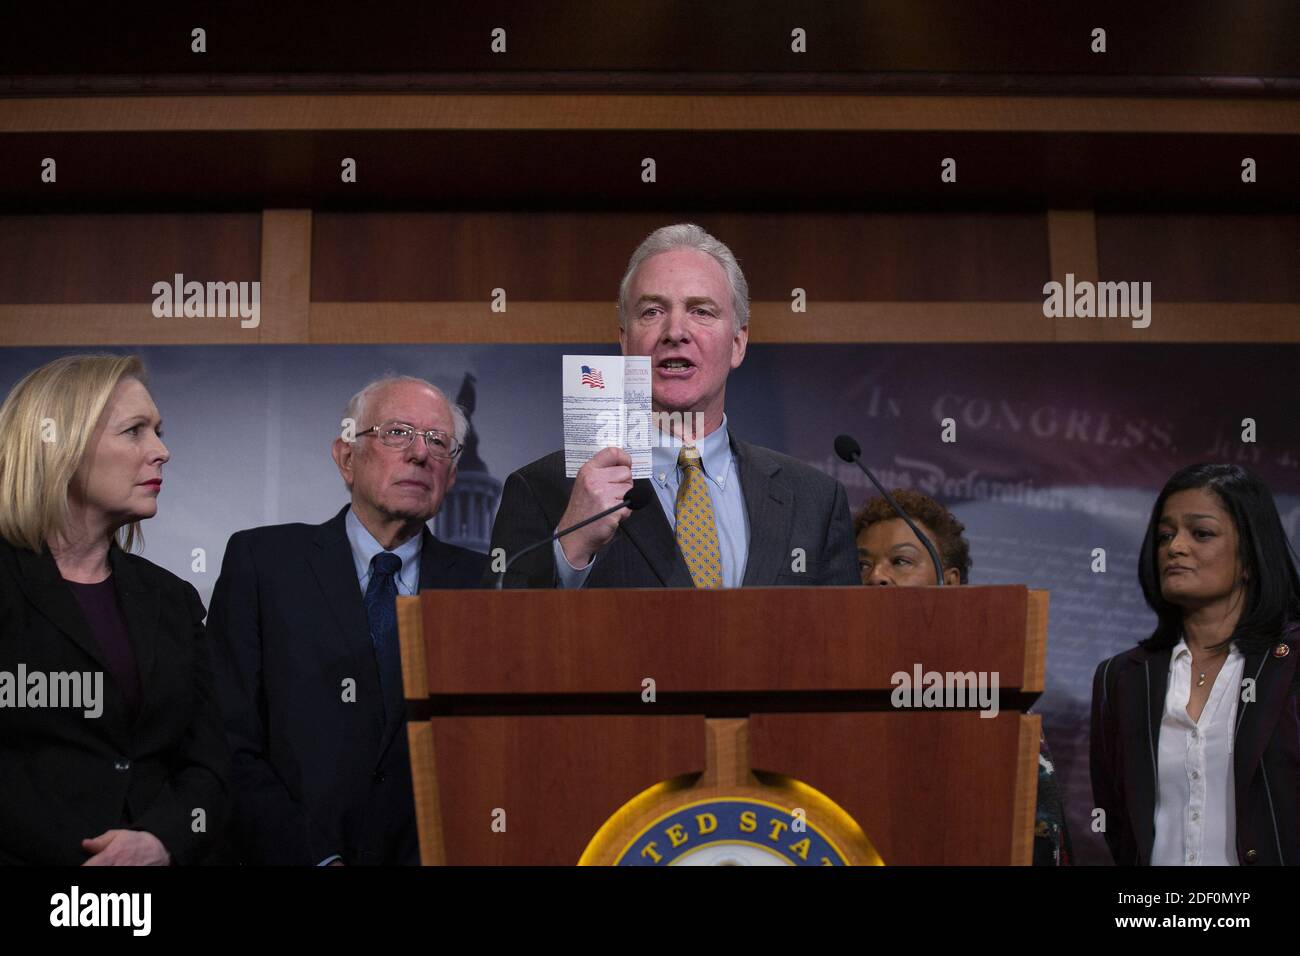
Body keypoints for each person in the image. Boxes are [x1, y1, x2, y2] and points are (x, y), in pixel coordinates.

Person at [208, 374, 487, 865]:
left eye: (438, 442)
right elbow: (226, 737)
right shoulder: (263, 562)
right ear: (346, 457)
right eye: (397, 433)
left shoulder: (485, 586)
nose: (420, 454)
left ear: (452, 475)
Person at [489, 223, 858, 588]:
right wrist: (571, 552)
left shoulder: (815, 501)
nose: (675, 331)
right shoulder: (542, 489)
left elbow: (844, 642)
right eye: (652, 311)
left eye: (701, 311)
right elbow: (504, 639)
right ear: (625, 342)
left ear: (738, 343)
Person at [0, 354, 229, 865]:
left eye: (159, 431)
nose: (162, 451)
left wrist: (162, 841)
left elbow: (207, 766)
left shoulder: (173, 600)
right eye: (134, 431)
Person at [1090, 462, 1300, 866]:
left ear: (1250, 558)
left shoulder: (1292, 664)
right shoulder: (1121, 677)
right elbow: (1117, 822)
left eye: (1200, 533)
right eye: (1165, 535)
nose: (1175, 547)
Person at [855, 489, 1073, 865]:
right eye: (861, 564)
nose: (877, 577)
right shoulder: (828, 701)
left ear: (949, 581)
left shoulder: (988, 698)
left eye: (900, 561)